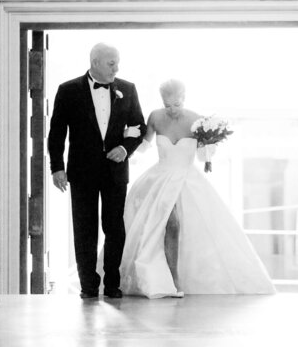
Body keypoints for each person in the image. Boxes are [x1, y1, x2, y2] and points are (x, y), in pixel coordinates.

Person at [120, 79, 276, 298]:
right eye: (167, 105)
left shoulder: (197, 120)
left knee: (186, 226)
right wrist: (128, 137)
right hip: (160, 177)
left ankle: (177, 279)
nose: (172, 109)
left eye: (176, 104)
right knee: (167, 223)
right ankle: (165, 278)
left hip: (186, 178)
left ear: (184, 99)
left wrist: (210, 145)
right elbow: (145, 147)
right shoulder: (155, 116)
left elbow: (203, 157)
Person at [48, 42, 146, 299]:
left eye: (117, 62)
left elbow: (139, 127)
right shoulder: (68, 90)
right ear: (94, 63)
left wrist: (125, 149)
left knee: (114, 228)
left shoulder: (128, 89)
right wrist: (56, 167)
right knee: (84, 229)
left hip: (115, 172)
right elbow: (56, 133)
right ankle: (88, 286)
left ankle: (113, 284)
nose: (117, 67)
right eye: (111, 63)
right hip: (81, 172)